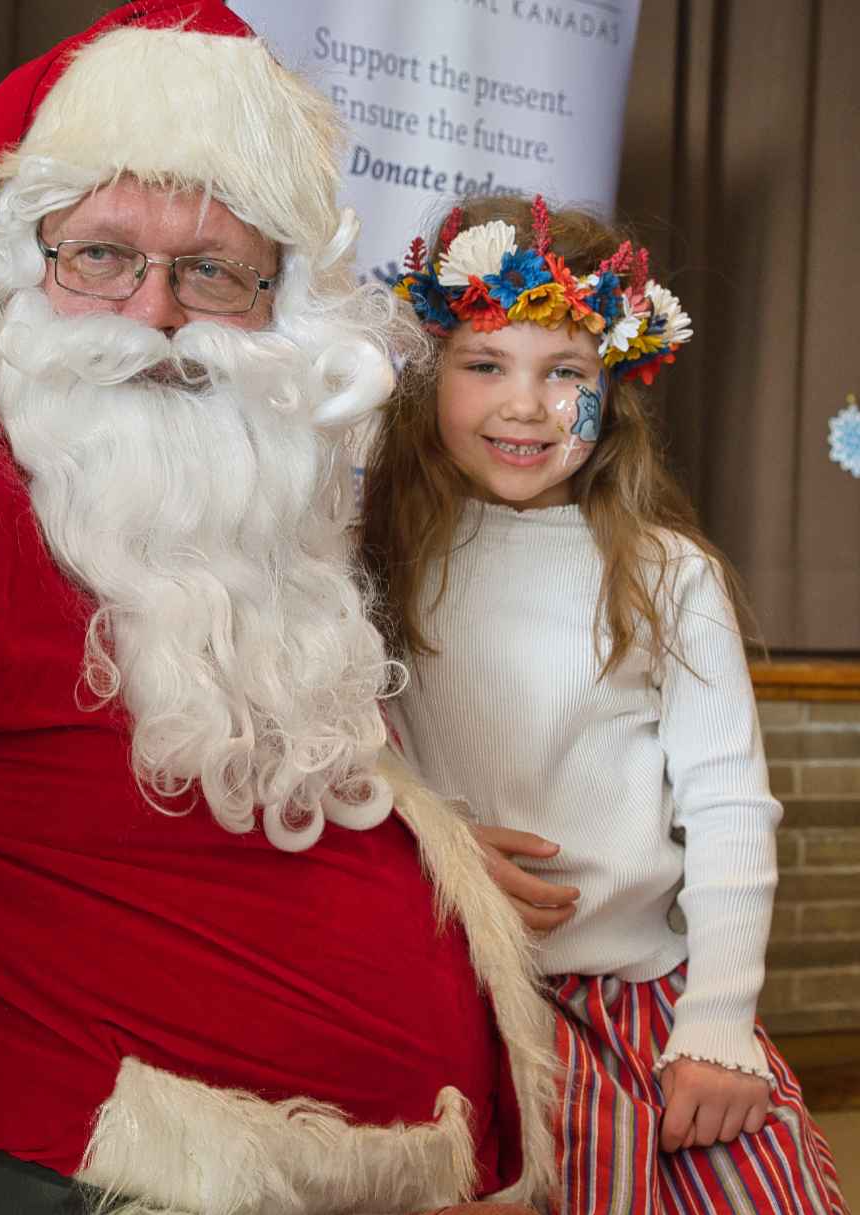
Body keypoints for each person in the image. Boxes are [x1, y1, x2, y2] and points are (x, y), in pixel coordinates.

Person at [0, 7, 557, 1213]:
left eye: (214, 271)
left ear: (281, 303)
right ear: (22, 265)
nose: (156, 314)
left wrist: (410, 851)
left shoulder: (257, 508)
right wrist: (29, 1100)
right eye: (100, 256)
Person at [360, 193, 848, 1214]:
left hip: (640, 1000)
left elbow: (728, 807)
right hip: (440, 1004)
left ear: (612, 390)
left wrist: (718, 1022)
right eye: (485, 365)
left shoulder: (667, 575)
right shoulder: (370, 560)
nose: (526, 407)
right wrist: (430, 836)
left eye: (565, 373)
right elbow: (338, 759)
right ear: (428, 371)